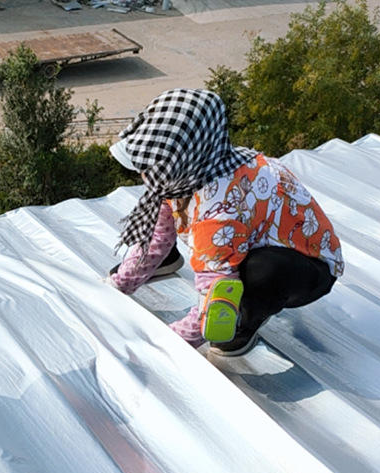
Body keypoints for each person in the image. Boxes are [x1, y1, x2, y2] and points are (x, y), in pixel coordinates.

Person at [107, 88, 344, 355]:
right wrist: (120, 283)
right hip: (249, 239)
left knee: (258, 276)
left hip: (308, 266)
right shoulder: (196, 167)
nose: (144, 171)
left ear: (181, 161)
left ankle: (244, 322)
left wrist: (165, 344)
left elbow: (213, 294)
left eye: (152, 163)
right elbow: (157, 235)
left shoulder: (218, 212)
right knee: (207, 247)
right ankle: (167, 261)